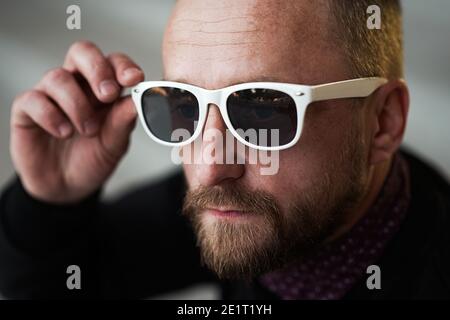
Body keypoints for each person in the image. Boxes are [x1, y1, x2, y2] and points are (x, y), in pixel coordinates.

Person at [0, 0, 449, 299]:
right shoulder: (238, 206)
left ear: (383, 123)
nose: (210, 165)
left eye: (262, 110)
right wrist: (51, 201)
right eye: (183, 104)